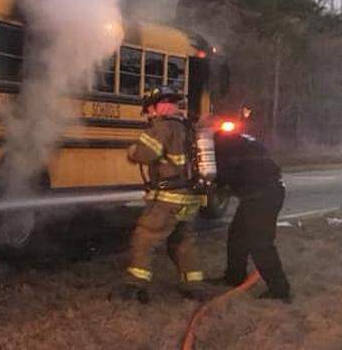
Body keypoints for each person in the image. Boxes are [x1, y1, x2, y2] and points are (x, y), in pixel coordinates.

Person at [116, 85, 207, 302]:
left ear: (158, 107)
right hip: (191, 197)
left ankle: (135, 286)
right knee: (182, 241)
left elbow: (144, 154)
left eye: (148, 110)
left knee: (145, 237)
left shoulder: (162, 128)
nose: (148, 115)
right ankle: (193, 286)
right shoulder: (189, 127)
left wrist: (132, 151)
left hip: (169, 198)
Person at [211, 127, 292, 301]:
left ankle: (279, 290)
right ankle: (234, 277)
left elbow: (224, 176)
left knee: (260, 243)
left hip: (263, 196)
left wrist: (212, 184)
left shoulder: (224, 148)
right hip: (260, 193)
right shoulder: (239, 141)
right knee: (237, 236)